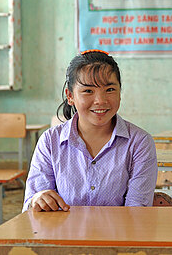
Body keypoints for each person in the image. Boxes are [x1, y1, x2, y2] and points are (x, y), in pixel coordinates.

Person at [23, 50, 158, 212]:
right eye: (88, 91)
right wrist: (38, 200)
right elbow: (31, 205)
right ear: (70, 96)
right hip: (62, 235)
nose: (100, 100)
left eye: (110, 90)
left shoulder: (139, 142)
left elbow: (137, 212)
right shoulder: (50, 141)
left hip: (119, 236)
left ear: (120, 93)